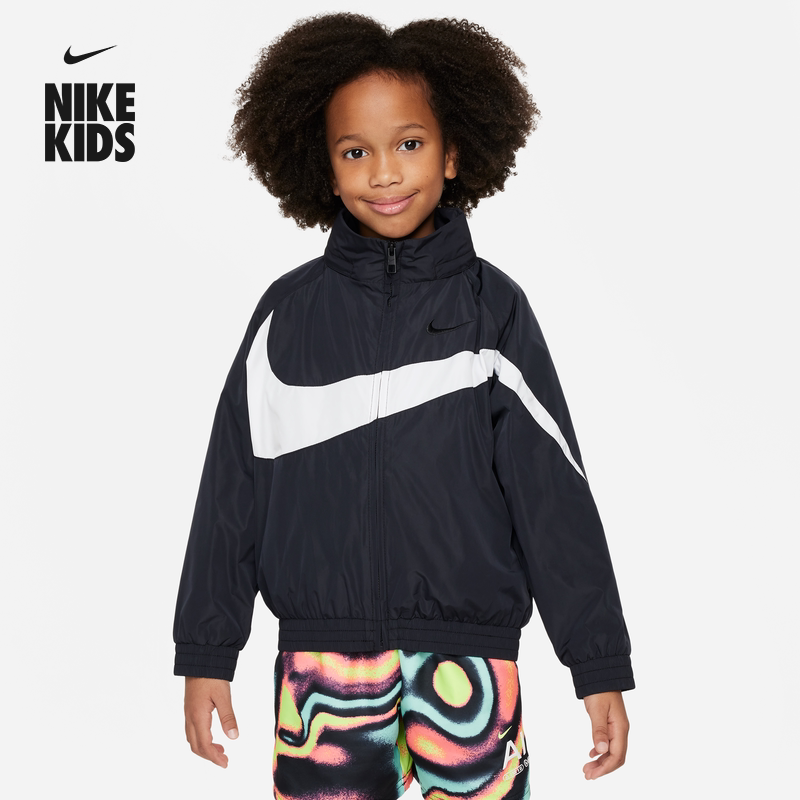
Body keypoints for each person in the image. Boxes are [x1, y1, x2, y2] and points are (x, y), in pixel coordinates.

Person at [173, 13, 635, 799]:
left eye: (410, 144)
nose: (384, 173)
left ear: (453, 153)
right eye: (356, 151)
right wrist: (207, 651)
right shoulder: (288, 316)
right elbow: (231, 492)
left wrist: (596, 664)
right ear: (324, 167)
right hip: (324, 676)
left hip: (470, 668)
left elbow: (552, 495)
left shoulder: (494, 311)